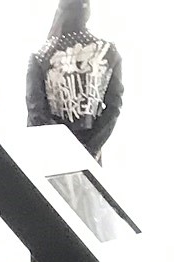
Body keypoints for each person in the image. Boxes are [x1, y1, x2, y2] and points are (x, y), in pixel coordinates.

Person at [28, 0, 123, 158]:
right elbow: (114, 107)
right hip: (90, 152)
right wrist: (91, 147)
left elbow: (36, 112)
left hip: (52, 153)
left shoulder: (41, 56)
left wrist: (63, 148)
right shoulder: (108, 52)